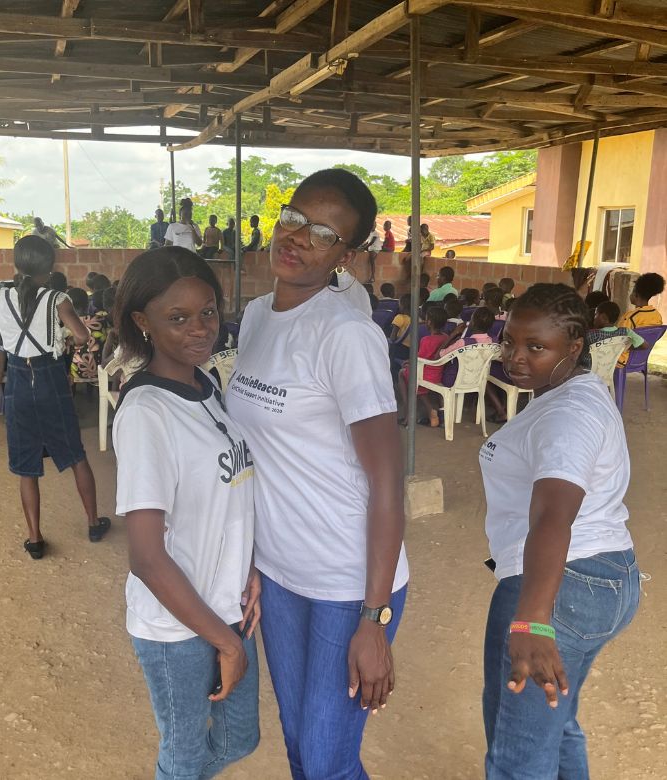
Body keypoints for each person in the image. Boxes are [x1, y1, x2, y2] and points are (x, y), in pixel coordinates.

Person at [225, 169, 408, 779]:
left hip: (346, 581)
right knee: (302, 749)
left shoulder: (346, 334)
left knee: (328, 762)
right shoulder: (257, 317)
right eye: (295, 218)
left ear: (345, 256)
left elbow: (388, 482)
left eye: (324, 233)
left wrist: (373, 619)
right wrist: (250, 558)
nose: (299, 237)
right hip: (279, 574)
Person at [478, 283, 639, 778]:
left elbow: (554, 516)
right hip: (605, 574)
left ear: (574, 346)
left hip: (557, 588)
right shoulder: (575, 392)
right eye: (509, 341)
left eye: (536, 347)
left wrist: (532, 620)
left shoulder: (568, 414)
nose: (515, 357)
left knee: (518, 755)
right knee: (558, 722)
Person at [112, 247, 260, 779]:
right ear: (143, 322)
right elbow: (147, 558)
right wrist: (226, 644)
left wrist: (247, 567)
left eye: (208, 312)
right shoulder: (147, 414)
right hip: (176, 627)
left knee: (240, 738)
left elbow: (226, 498)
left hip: (226, 603)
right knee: (185, 755)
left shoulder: (206, 386)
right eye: (177, 318)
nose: (200, 329)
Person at [0, 235, 111, 560]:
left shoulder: (0, 297)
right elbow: (81, 335)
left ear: (16, 263)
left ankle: (35, 538)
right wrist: (62, 340)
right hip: (50, 377)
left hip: (18, 379)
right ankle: (93, 523)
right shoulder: (57, 299)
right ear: (50, 267)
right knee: (75, 454)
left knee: (26, 465)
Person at [398, 306, 448, 428]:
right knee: (415, 380)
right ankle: (431, 411)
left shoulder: (426, 340)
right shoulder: (446, 337)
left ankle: (408, 411)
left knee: (402, 373)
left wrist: (408, 362)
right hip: (438, 373)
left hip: (425, 373)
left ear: (429, 322)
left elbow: (419, 359)